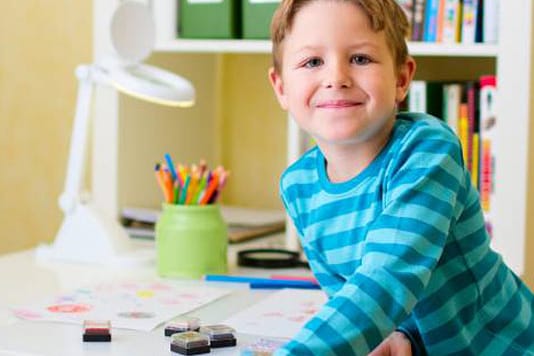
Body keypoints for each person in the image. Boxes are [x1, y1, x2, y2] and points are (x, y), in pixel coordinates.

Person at [268, 0, 534, 355]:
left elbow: (387, 278)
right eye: (312, 62)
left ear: (402, 78)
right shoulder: (298, 187)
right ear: (281, 87)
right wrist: (394, 337)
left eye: (360, 59)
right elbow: (349, 294)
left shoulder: (427, 151)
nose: (336, 78)